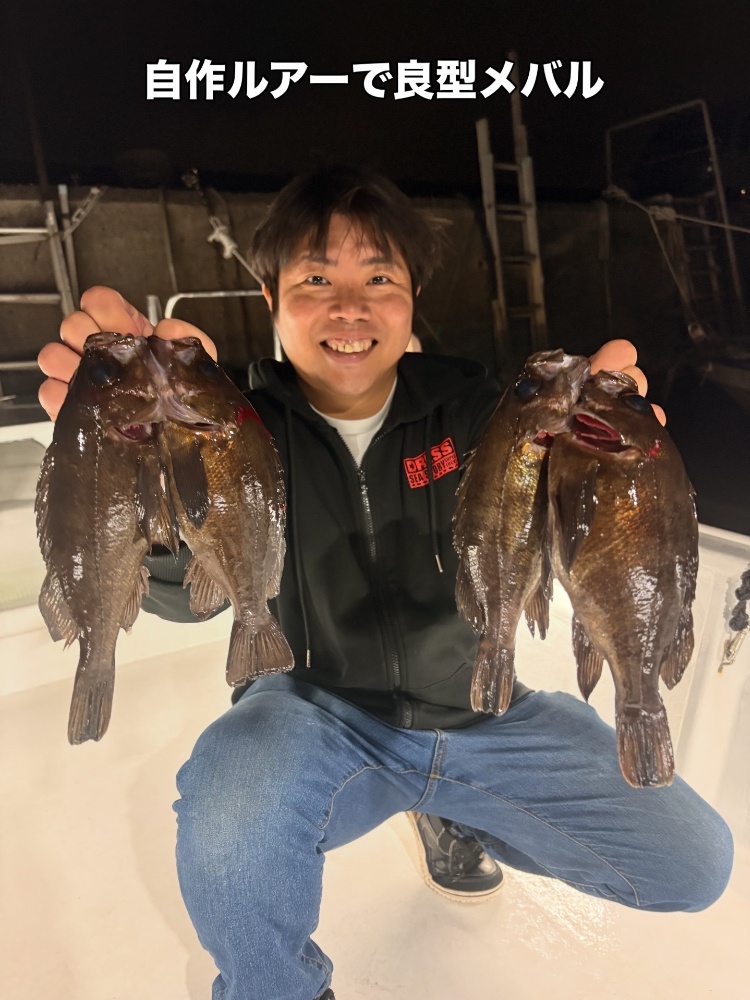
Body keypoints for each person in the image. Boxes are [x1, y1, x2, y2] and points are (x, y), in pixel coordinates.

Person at [38, 166, 733, 1000]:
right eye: (314, 281)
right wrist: (137, 476)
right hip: (314, 712)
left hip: (484, 706)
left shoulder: (482, 411)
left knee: (692, 862)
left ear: (412, 299)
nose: (349, 309)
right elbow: (185, 593)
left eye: (378, 280)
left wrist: (613, 475)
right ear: (269, 298)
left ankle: (458, 806)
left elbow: (563, 526)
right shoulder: (239, 418)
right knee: (227, 822)